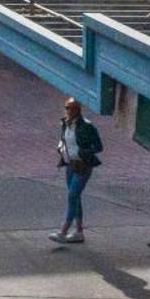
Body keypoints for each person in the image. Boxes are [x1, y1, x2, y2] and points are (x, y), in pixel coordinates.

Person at [50, 97, 104, 244]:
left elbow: (98, 146)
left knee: (72, 195)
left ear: (78, 110)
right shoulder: (65, 124)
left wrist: (84, 152)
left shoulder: (87, 126)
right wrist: (61, 147)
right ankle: (79, 231)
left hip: (82, 165)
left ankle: (64, 230)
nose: (68, 111)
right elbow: (64, 139)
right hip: (70, 164)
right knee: (75, 197)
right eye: (66, 108)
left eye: (71, 108)